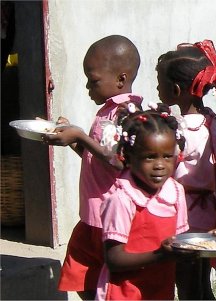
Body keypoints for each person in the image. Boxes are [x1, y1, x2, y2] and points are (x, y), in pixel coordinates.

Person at [44, 35, 143, 300]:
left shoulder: (127, 113)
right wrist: (72, 139)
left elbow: (118, 160)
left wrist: (79, 136)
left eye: (94, 80)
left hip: (110, 218)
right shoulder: (106, 111)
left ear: (121, 79)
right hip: (91, 216)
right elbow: (97, 159)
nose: (88, 87)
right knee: (81, 277)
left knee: (110, 284)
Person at [154, 39, 216, 300]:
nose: (156, 88)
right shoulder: (211, 122)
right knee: (200, 281)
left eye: (159, 83)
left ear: (175, 90)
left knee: (186, 284)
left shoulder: (180, 131)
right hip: (208, 212)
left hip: (185, 216)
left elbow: (167, 169)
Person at [94, 110, 195, 300]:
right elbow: (114, 259)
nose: (160, 165)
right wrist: (161, 256)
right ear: (128, 157)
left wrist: (201, 243)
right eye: (150, 157)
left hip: (159, 290)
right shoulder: (122, 199)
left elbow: (180, 242)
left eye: (167, 156)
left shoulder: (175, 192)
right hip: (124, 293)